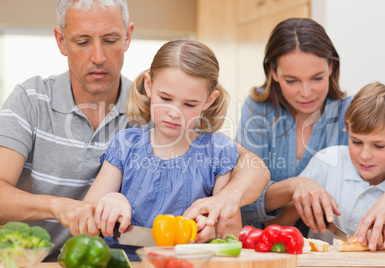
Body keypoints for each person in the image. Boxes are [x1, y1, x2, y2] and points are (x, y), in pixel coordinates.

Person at [0, 0, 269, 261]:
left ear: (128, 36)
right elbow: (89, 214)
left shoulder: (200, 140)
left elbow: (251, 172)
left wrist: (223, 206)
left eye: (110, 39)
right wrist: (103, 202)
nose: (98, 56)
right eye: (83, 41)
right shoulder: (34, 100)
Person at [236, 17, 385, 249]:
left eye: (317, 78)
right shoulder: (258, 111)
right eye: (292, 80)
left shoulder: (354, 112)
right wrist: (295, 187)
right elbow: (243, 197)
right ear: (273, 72)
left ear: (331, 67)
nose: (306, 93)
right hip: (278, 243)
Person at [77, 39, 243, 260]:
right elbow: (82, 221)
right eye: (165, 98)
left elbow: (232, 234)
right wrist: (111, 200)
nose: (174, 112)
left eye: (189, 104)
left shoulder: (218, 152)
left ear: (209, 100)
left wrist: (212, 231)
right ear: (149, 86)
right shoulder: (126, 145)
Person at [264, 82, 385, 246]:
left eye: (379, 146)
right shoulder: (328, 161)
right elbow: (274, 225)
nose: (365, 155)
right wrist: (303, 206)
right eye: (356, 142)